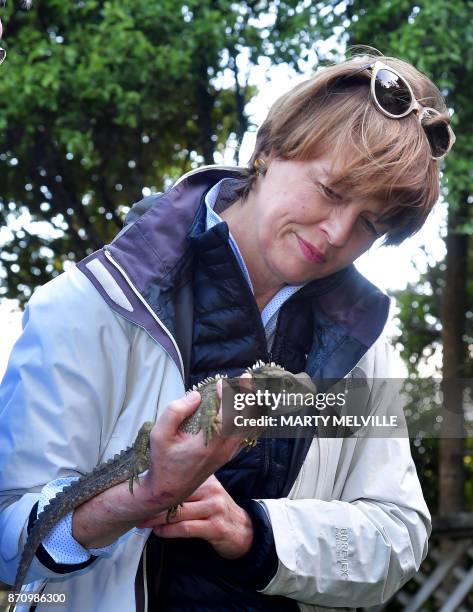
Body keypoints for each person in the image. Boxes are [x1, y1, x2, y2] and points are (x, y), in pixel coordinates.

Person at [0, 52, 455, 611]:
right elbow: (9, 538)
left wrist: (255, 533)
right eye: (332, 191)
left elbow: (397, 534)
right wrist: (144, 496)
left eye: (370, 223)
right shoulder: (90, 305)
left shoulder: (359, 348)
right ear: (269, 149)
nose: (338, 233)